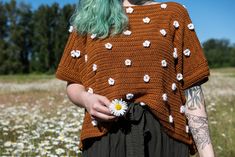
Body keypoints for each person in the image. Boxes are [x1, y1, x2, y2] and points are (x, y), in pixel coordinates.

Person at [55, 0, 215, 156]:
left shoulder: (174, 13)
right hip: (105, 136)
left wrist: (207, 154)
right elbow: (74, 83)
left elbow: (192, 88)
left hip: (165, 136)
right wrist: (86, 100)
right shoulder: (89, 17)